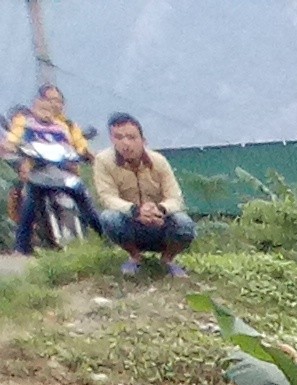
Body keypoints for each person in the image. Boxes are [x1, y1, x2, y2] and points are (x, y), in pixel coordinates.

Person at [90, 117, 187, 277]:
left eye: (131, 137)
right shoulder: (103, 161)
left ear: (143, 140)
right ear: (112, 139)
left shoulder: (159, 161)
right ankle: (135, 257)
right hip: (131, 222)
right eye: (118, 137)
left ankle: (167, 260)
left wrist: (160, 210)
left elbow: (176, 198)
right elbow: (107, 197)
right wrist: (135, 211)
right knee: (109, 218)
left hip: (160, 222)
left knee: (184, 223)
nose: (125, 144)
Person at [11, 86, 86, 258]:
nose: (56, 104)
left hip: (64, 170)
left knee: (84, 199)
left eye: (59, 101)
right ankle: (22, 246)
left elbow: (80, 144)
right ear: (40, 101)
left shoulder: (67, 125)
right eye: (51, 100)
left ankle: (94, 237)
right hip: (36, 170)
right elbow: (15, 139)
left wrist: (84, 153)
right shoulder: (26, 121)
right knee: (29, 199)